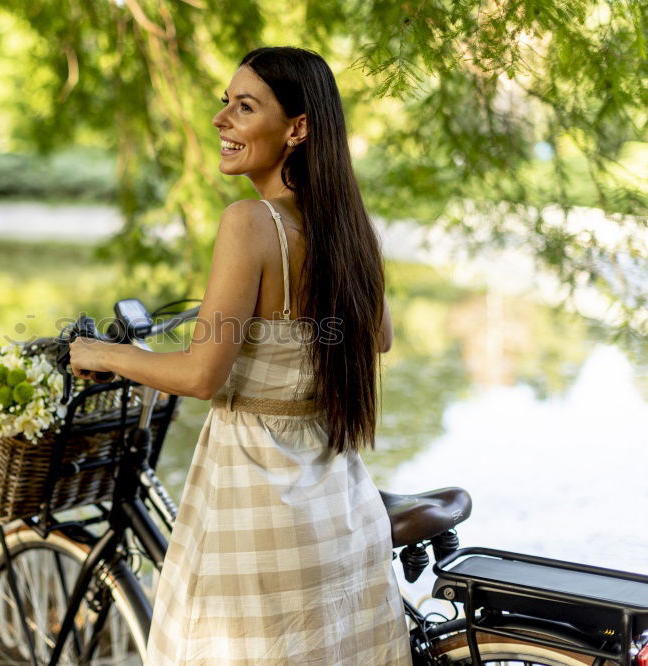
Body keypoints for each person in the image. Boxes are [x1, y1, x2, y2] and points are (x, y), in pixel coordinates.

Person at [68, 46, 410, 665]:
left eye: (244, 106)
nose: (222, 119)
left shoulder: (251, 223)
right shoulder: (349, 225)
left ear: (297, 129)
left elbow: (201, 374)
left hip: (258, 501)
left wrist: (105, 354)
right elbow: (377, 337)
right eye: (224, 103)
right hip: (336, 501)